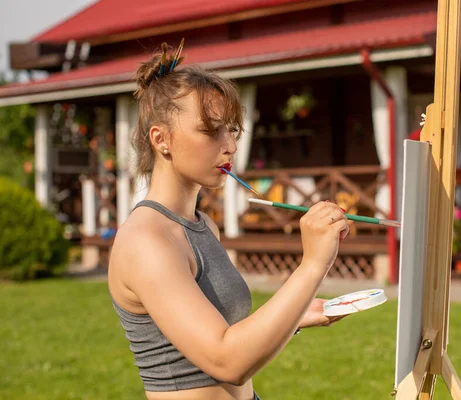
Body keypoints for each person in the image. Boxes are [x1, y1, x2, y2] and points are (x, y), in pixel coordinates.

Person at [107, 42, 350, 400]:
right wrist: (313, 265)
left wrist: (293, 316)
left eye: (232, 130)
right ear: (161, 140)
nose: (230, 146)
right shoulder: (147, 241)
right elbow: (227, 362)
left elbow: (223, 332)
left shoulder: (204, 225)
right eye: (211, 131)